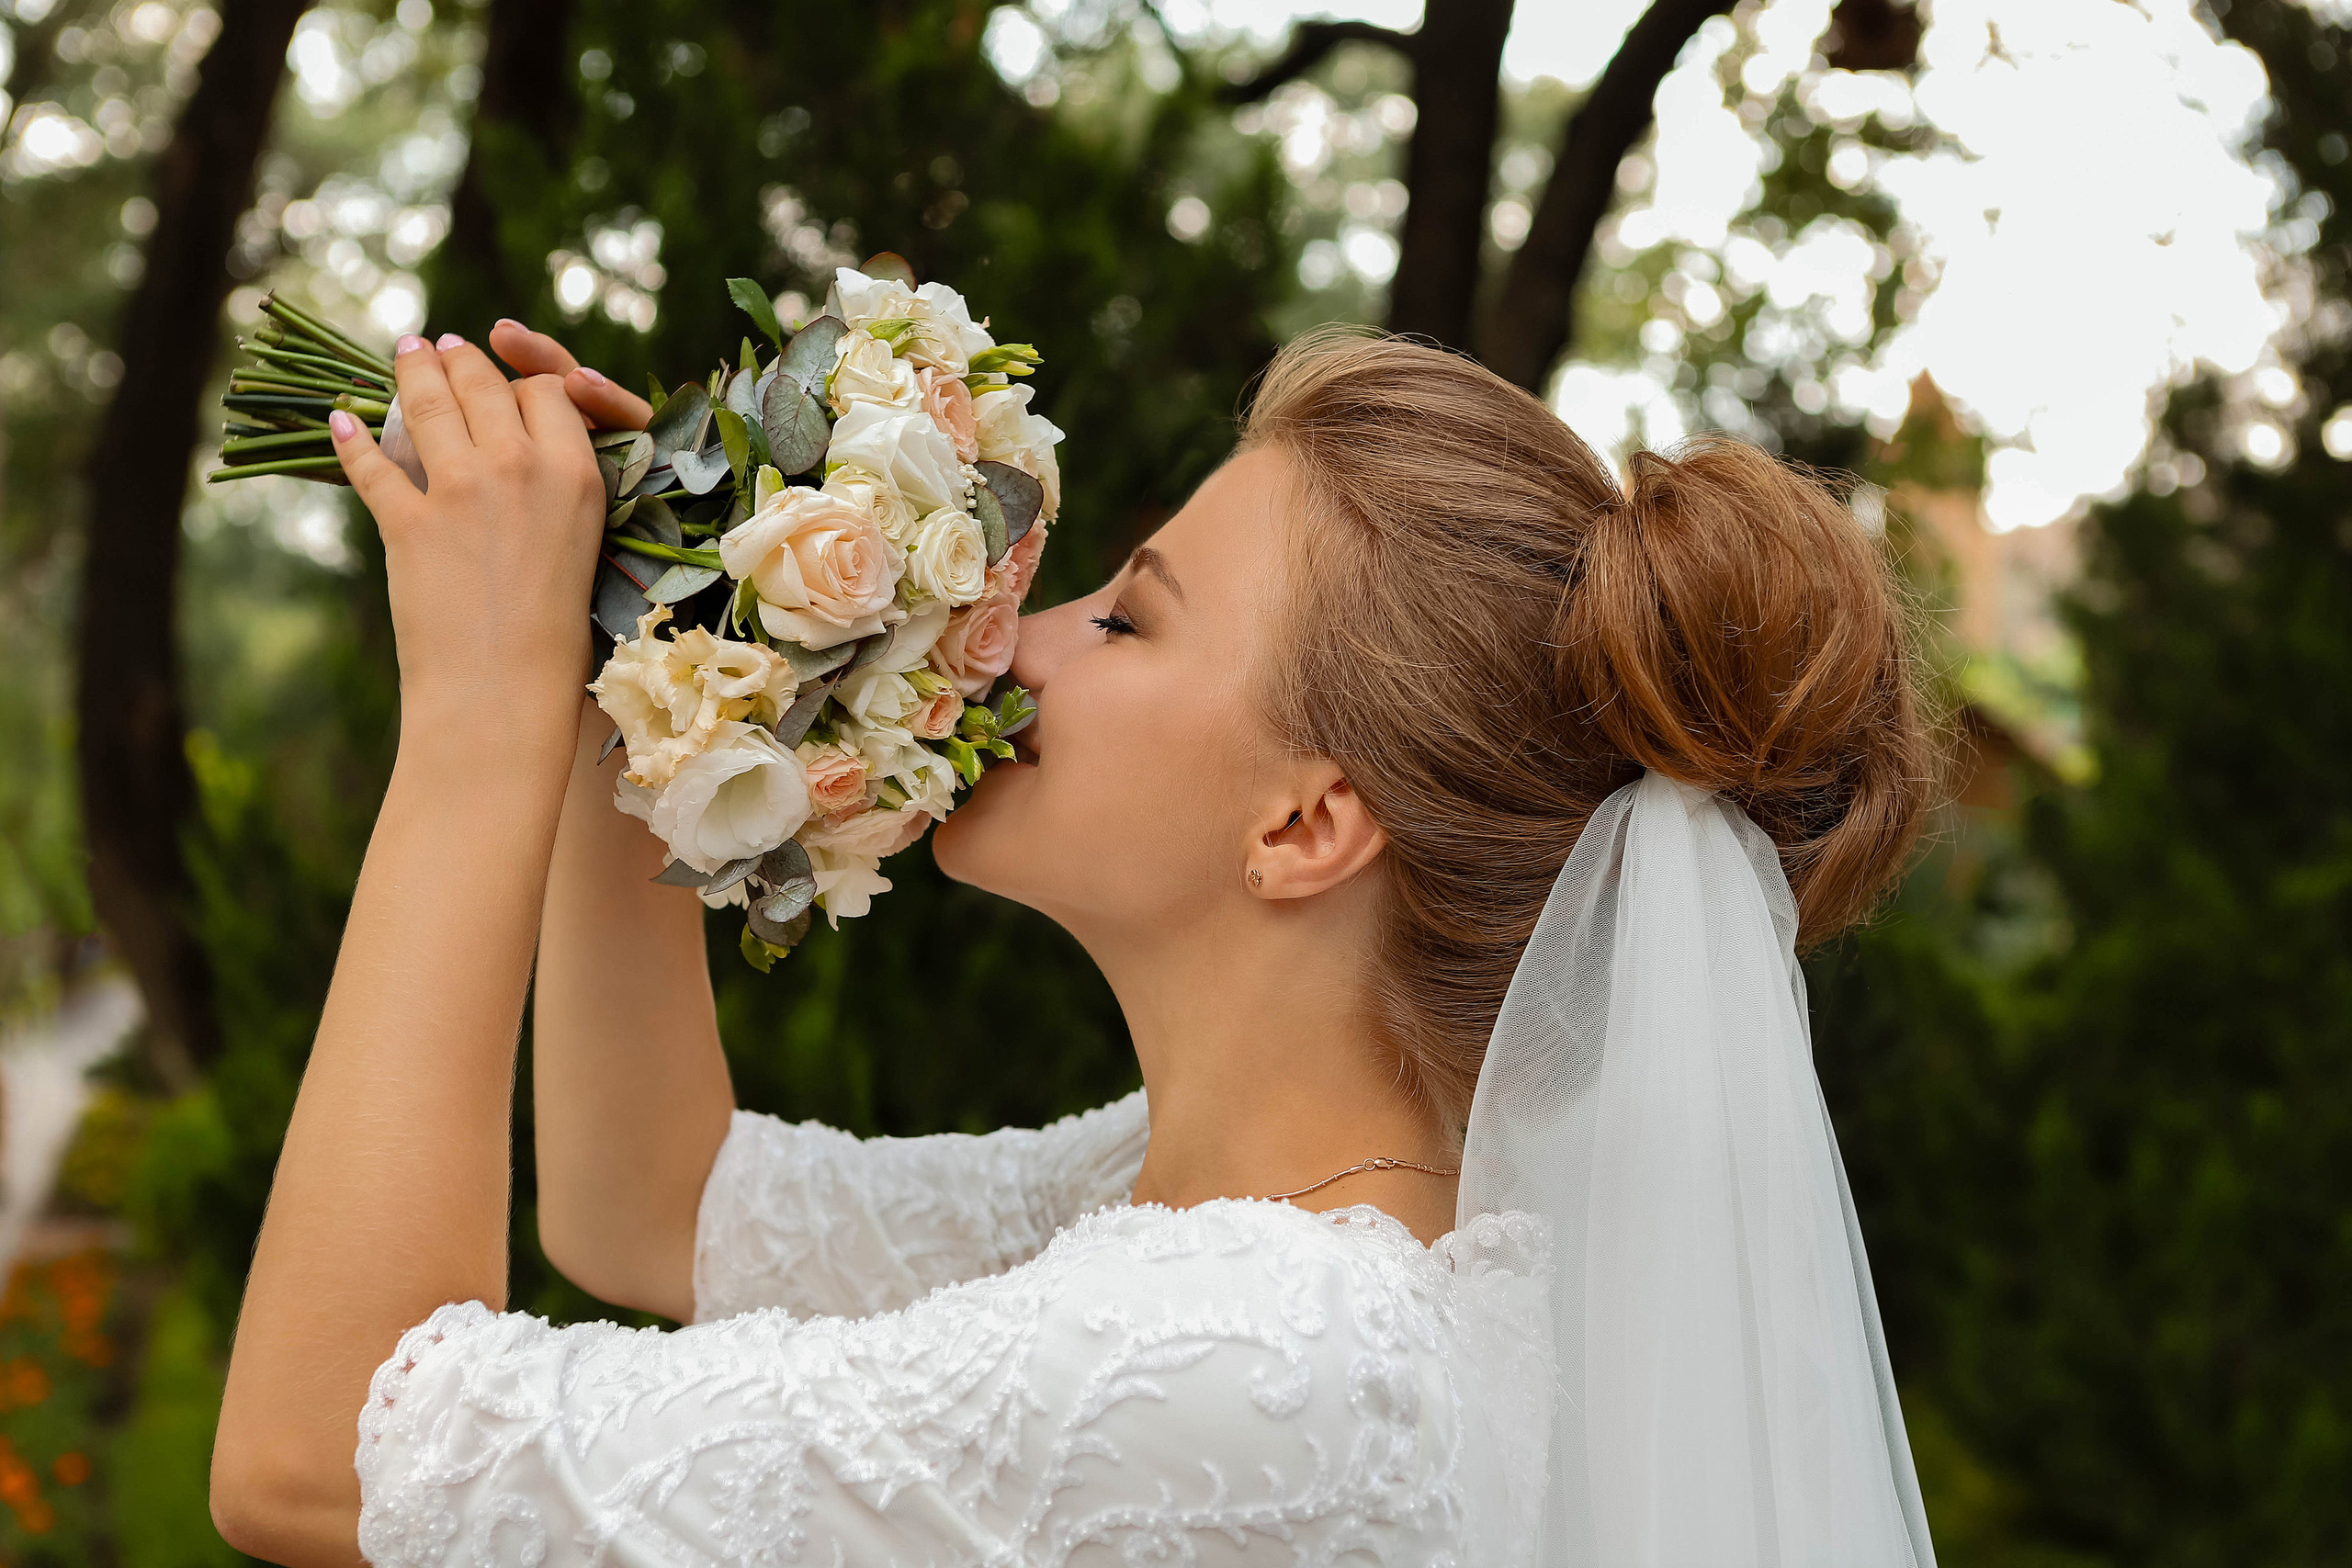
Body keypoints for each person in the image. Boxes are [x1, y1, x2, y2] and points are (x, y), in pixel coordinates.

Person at [209, 320, 1939, 1566]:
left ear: (1305, 825)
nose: (1017, 642)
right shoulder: (1230, 1207)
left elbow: (320, 1452)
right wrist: (631, 660)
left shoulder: (1266, 1360)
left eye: (1128, 615)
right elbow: (650, 1209)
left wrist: (475, 712)